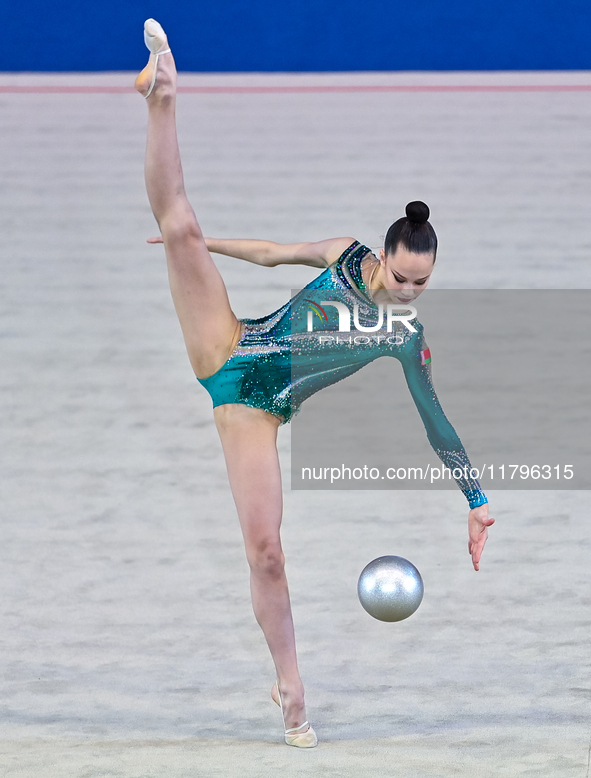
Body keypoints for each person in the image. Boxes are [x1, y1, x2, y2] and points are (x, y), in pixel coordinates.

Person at [135, 19, 494, 748]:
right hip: (228, 341)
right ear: (384, 254)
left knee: (266, 552)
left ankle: (290, 688)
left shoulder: (403, 337)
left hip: (254, 409)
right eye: (401, 277)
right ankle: (163, 92)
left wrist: (476, 499)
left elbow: (437, 423)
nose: (407, 291)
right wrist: (206, 247)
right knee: (178, 225)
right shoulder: (343, 254)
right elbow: (270, 255)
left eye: (421, 283)